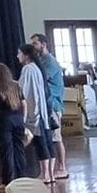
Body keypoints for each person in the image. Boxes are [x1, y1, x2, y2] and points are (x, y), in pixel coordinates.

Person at [0, 62, 34, 185]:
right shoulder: (16, 85)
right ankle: (21, 176)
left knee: (7, 152)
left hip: (4, 122)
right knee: (19, 149)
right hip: (18, 120)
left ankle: (8, 181)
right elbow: (24, 104)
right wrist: (23, 119)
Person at [28, 32, 67, 181]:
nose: (33, 47)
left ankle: (62, 168)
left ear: (43, 44)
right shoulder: (41, 61)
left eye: (35, 43)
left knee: (56, 138)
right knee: (50, 138)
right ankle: (50, 171)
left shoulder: (50, 62)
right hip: (46, 105)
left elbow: (41, 80)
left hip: (53, 105)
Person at [16, 44, 57, 180]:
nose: (17, 56)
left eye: (19, 53)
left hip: (35, 110)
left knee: (40, 142)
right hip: (43, 110)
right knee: (47, 141)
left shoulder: (28, 69)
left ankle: (45, 174)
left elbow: (22, 89)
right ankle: (50, 174)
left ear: (26, 55)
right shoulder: (38, 68)